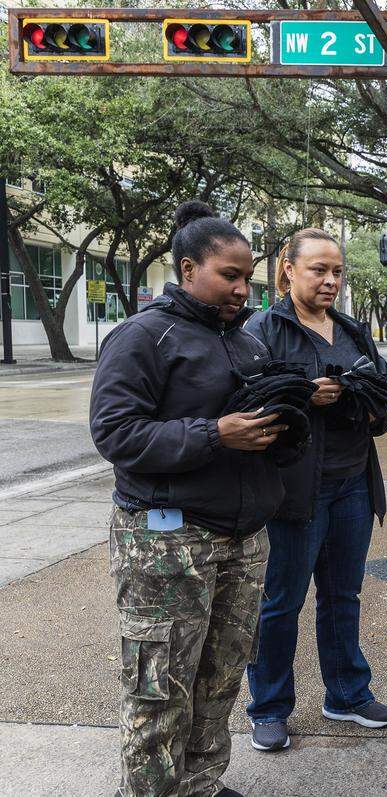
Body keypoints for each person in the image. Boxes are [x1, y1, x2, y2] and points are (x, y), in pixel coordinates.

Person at [90, 201, 288, 797]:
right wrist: (215, 434)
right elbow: (115, 433)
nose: (241, 287)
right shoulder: (143, 336)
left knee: (220, 678)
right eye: (230, 275)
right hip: (166, 541)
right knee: (159, 690)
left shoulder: (246, 341)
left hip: (242, 537)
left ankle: (199, 785)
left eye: (247, 276)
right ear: (187, 268)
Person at [244, 228, 387, 751]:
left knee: (342, 596)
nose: (330, 280)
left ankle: (347, 693)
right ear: (288, 269)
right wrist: (304, 399)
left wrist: (365, 402)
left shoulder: (353, 331)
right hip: (293, 493)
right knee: (280, 603)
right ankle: (268, 707)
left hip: (353, 485)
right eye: (319, 270)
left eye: (337, 271)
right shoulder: (262, 329)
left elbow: (383, 404)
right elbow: (246, 407)